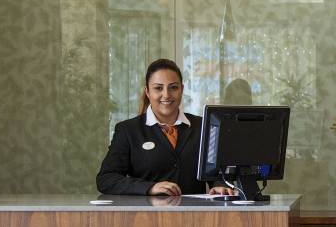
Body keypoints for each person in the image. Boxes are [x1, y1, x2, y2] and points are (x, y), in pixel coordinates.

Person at [97, 59, 234, 196]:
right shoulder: (128, 130)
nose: (166, 95)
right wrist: (149, 188)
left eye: (173, 87)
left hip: (194, 214)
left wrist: (220, 186)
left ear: (182, 89)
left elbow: (219, 174)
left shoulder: (204, 127)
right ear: (147, 92)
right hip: (145, 215)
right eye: (158, 88)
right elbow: (106, 179)